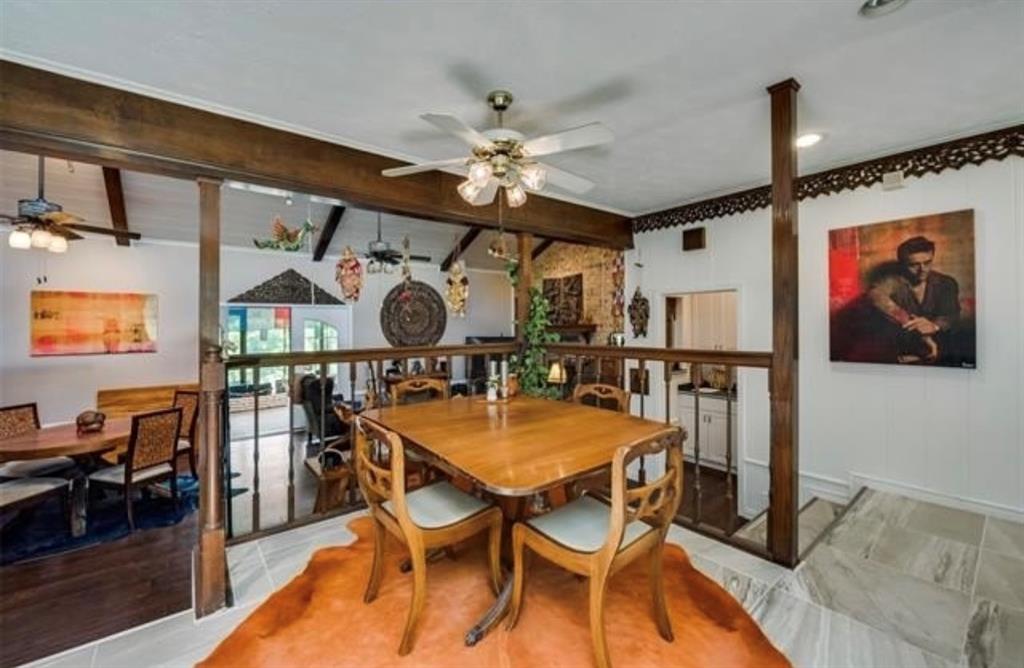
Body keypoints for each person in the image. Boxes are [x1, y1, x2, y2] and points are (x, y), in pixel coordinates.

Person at [864, 236, 961, 363]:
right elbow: (875, 295)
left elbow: (951, 315)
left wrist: (934, 326)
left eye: (927, 262)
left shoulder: (947, 283)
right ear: (902, 264)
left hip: (943, 349)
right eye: (914, 265)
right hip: (902, 351)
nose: (922, 270)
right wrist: (912, 324)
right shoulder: (892, 281)